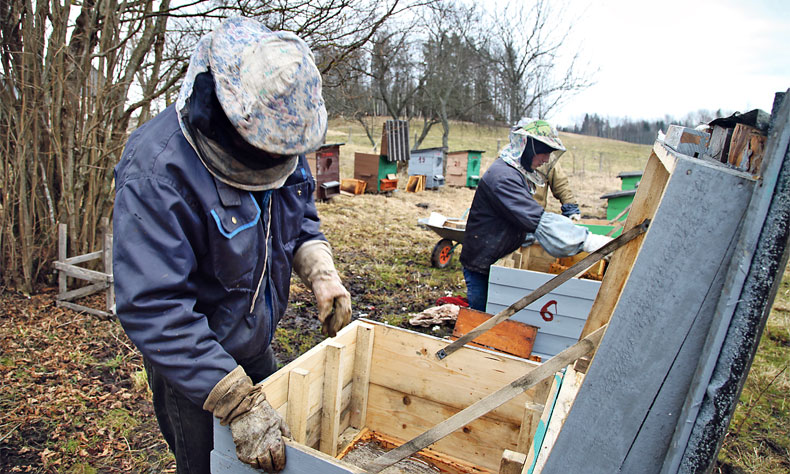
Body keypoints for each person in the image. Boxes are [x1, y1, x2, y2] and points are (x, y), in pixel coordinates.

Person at [112, 17, 352, 474]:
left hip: (253, 338)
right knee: (210, 465)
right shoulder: (157, 172)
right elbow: (153, 304)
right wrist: (234, 400)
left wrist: (322, 274)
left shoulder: (277, 126)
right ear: (226, 117)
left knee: (282, 450)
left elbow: (298, 217)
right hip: (190, 363)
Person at [459, 119, 611, 311]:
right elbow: (536, 219)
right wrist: (587, 241)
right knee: (481, 319)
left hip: (494, 253)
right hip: (483, 260)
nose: (546, 159)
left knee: (494, 317)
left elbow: (513, 218)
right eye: (544, 152)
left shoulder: (514, 171)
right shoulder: (504, 178)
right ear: (529, 149)